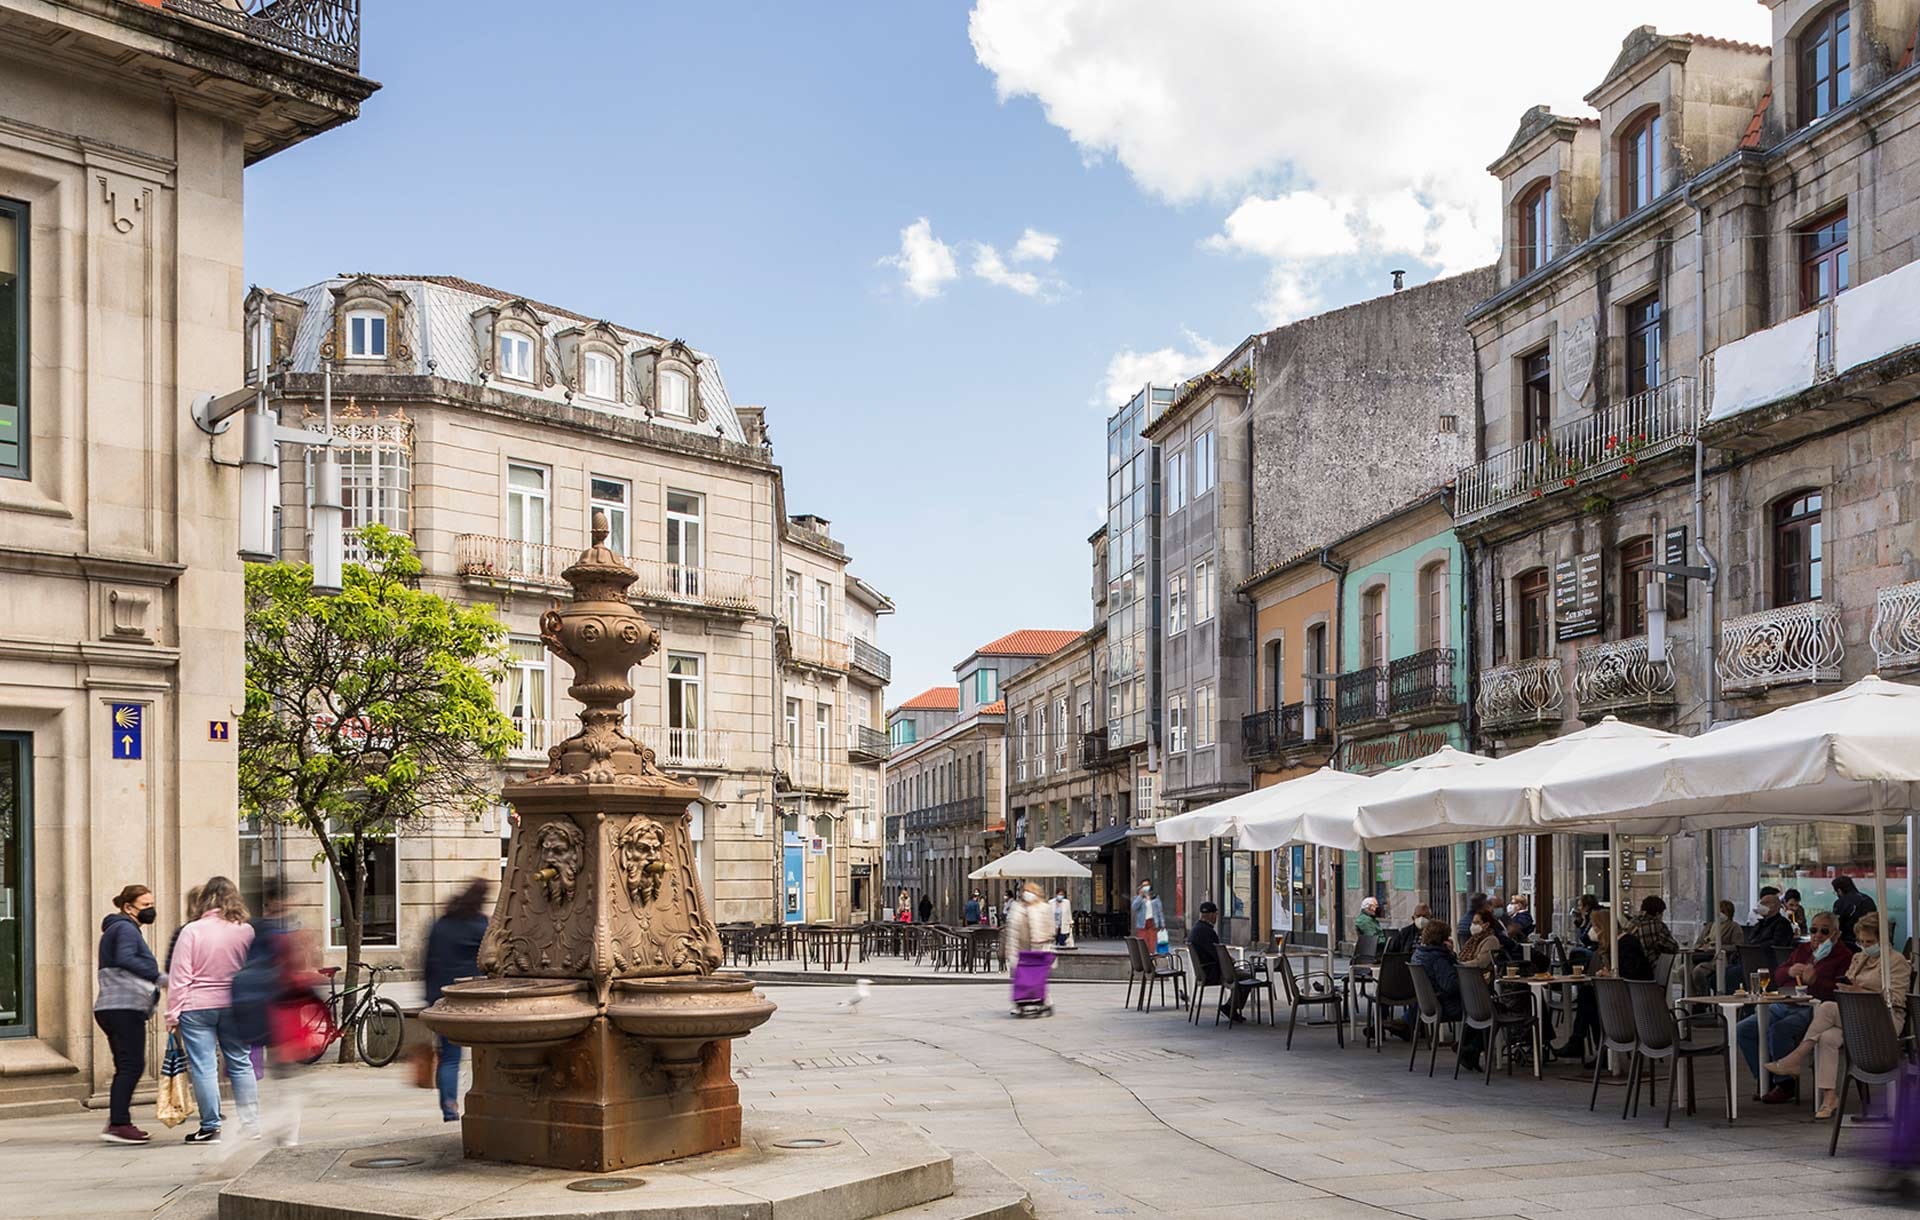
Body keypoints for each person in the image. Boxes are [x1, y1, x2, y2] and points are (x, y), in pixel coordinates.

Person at [1765, 912, 1911, 1119]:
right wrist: (1847, 989)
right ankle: (1829, 1096)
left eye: (1869, 941)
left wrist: (1862, 992)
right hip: (1854, 1016)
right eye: (1861, 941)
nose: (1864, 945)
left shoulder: (1896, 962)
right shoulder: (1859, 958)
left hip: (1883, 1018)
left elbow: (1896, 999)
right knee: (1827, 1037)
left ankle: (1796, 1056)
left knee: (1826, 1008)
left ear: (1882, 940)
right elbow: (1845, 983)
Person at [166, 876, 258, 1143]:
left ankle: (210, 1127)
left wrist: (172, 1014)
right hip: (235, 1005)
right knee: (241, 1063)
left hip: (197, 1006)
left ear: (206, 898)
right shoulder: (246, 931)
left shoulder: (192, 930)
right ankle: (251, 1125)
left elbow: (179, 976)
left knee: (204, 1067)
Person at [1737, 910, 1853, 1104]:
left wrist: (1817, 981)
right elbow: (1779, 975)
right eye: (1814, 929)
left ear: (1836, 934)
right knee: (1744, 1029)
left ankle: (1785, 1084)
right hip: (1788, 1001)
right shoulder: (1804, 950)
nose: (1817, 935)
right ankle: (1766, 1079)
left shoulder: (1844, 956)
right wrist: (1790, 970)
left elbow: (1840, 991)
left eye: (1824, 931)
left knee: (1779, 1030)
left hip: (1817, 1007)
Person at [94, 883, 162, 1145]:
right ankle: (119, 1123)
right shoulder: (124, 928)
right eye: (146, 905)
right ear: (128, 907)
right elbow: (125, 958)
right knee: (132, 1065)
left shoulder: (119, 928)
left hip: (111, 1007)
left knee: (126, 1065)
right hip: (123, 1007)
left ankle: (117, 1121)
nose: (151, 909)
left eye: (152, 904)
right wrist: (158, 976)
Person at [424, 880, 491, 1122]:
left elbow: (427, 961)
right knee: (487, 1053)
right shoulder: (481, 925)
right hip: (475, 998)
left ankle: (449, 1108)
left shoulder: (441, 923)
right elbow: (491, 959)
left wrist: (428, 998)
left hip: (443, 997)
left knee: (450, 1056)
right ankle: (486, 1099)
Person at [1412, 921, 1481, 1072]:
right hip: (1446, 1005)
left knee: (1482, 1009)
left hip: (1427, 1004)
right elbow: (1451, 985)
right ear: (1443, 939)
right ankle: (1467, 1048)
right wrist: (1451, 957)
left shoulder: (1418, 954)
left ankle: (1466, 1047)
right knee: (1486, 1010)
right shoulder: (1438, 958)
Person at [1188, 901, 1253, 1023]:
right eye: (1216, 914)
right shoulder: (1207, 932)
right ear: (1212, 915)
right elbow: (1218, 954)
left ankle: (1230, 1006)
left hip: (1204, 971)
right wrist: (1230, 962)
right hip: (1213, 972)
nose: (1216, 918)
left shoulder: (1197, 929)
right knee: (1247, 977)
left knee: (1240, 974)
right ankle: (1230, 1008)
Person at [1831, 875, 1876, 947]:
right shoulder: (1868, 899)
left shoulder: (1841, 902)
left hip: (1849, 943)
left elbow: (1836, 925)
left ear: (1839, 891)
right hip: (1870, 940)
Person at [1131, 882, 1164, 956]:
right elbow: (1134, 907)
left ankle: (1152, 955)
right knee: (1143, 941)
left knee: (1152, 941)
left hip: (1152, 921)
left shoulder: (1155, 898)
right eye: (1144, 886)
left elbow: (1159, 911)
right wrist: (1140, 896)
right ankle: (1144, 956)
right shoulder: (1137, 898)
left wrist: (1162, 923)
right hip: (1142, 923)